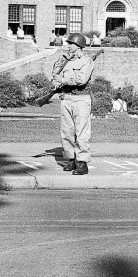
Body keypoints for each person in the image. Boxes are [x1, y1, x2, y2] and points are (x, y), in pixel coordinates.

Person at [51, 32, 96, 175]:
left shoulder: (86, 61)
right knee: (66, 131)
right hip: (66, 97)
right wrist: (61, 62)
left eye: (70, 44)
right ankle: (71, 159)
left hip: (81, 99)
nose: (68, 46)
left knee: (82, 131)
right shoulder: (65, 60)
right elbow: (55, 74)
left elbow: (81, 79)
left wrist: (63, 80)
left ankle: (82, 163)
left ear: (78, 45)